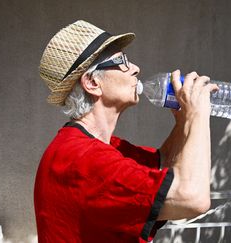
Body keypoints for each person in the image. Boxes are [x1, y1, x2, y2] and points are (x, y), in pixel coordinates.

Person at [34, 20, 218, 243]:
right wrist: (198, 115)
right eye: (122, 61)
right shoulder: (85, 160)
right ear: (92, 82)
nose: (135, 68)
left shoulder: (98, 146)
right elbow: (192, 199)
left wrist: (183, 123)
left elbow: (163, 162)